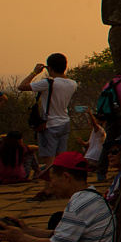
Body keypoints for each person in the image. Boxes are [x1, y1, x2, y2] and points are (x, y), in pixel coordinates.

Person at [18, 54, 76, 201]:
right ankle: (63, 188)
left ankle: (48, 190)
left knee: (49, 159)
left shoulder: (48, 83)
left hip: (50, 124)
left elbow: (21, 86)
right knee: (61, 158)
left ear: (49, 68)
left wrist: (34, 72)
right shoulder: (72, 84)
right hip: (65, 122)